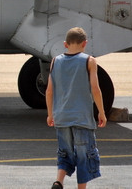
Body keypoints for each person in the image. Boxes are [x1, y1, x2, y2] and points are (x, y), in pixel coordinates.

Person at [46, 27, 107, 189]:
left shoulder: (55, 61)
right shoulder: (89, 61)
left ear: (65, 44)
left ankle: (58, 181)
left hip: (61, 117)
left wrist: (50, 114)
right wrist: (101, 112)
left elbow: (49, 91)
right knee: (84, 156)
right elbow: (95, 89)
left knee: (64, 152)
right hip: (82, 118)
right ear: (85, 44)